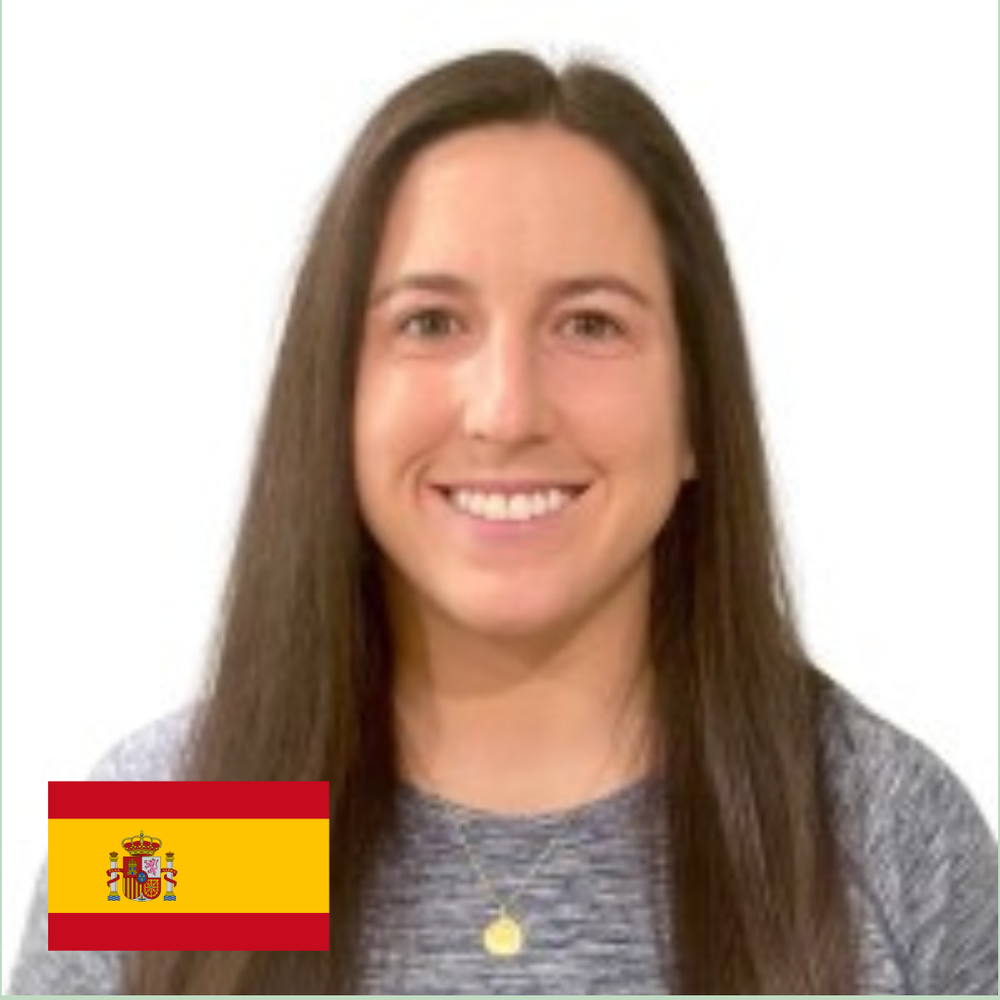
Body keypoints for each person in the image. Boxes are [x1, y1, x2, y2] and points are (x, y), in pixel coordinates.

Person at [10, 49, 997, 996]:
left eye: (590, 324)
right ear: (333, 397)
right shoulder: (169, 836)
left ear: (698, 409)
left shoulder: (875, 833)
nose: (507, 410)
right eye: (431, 323)